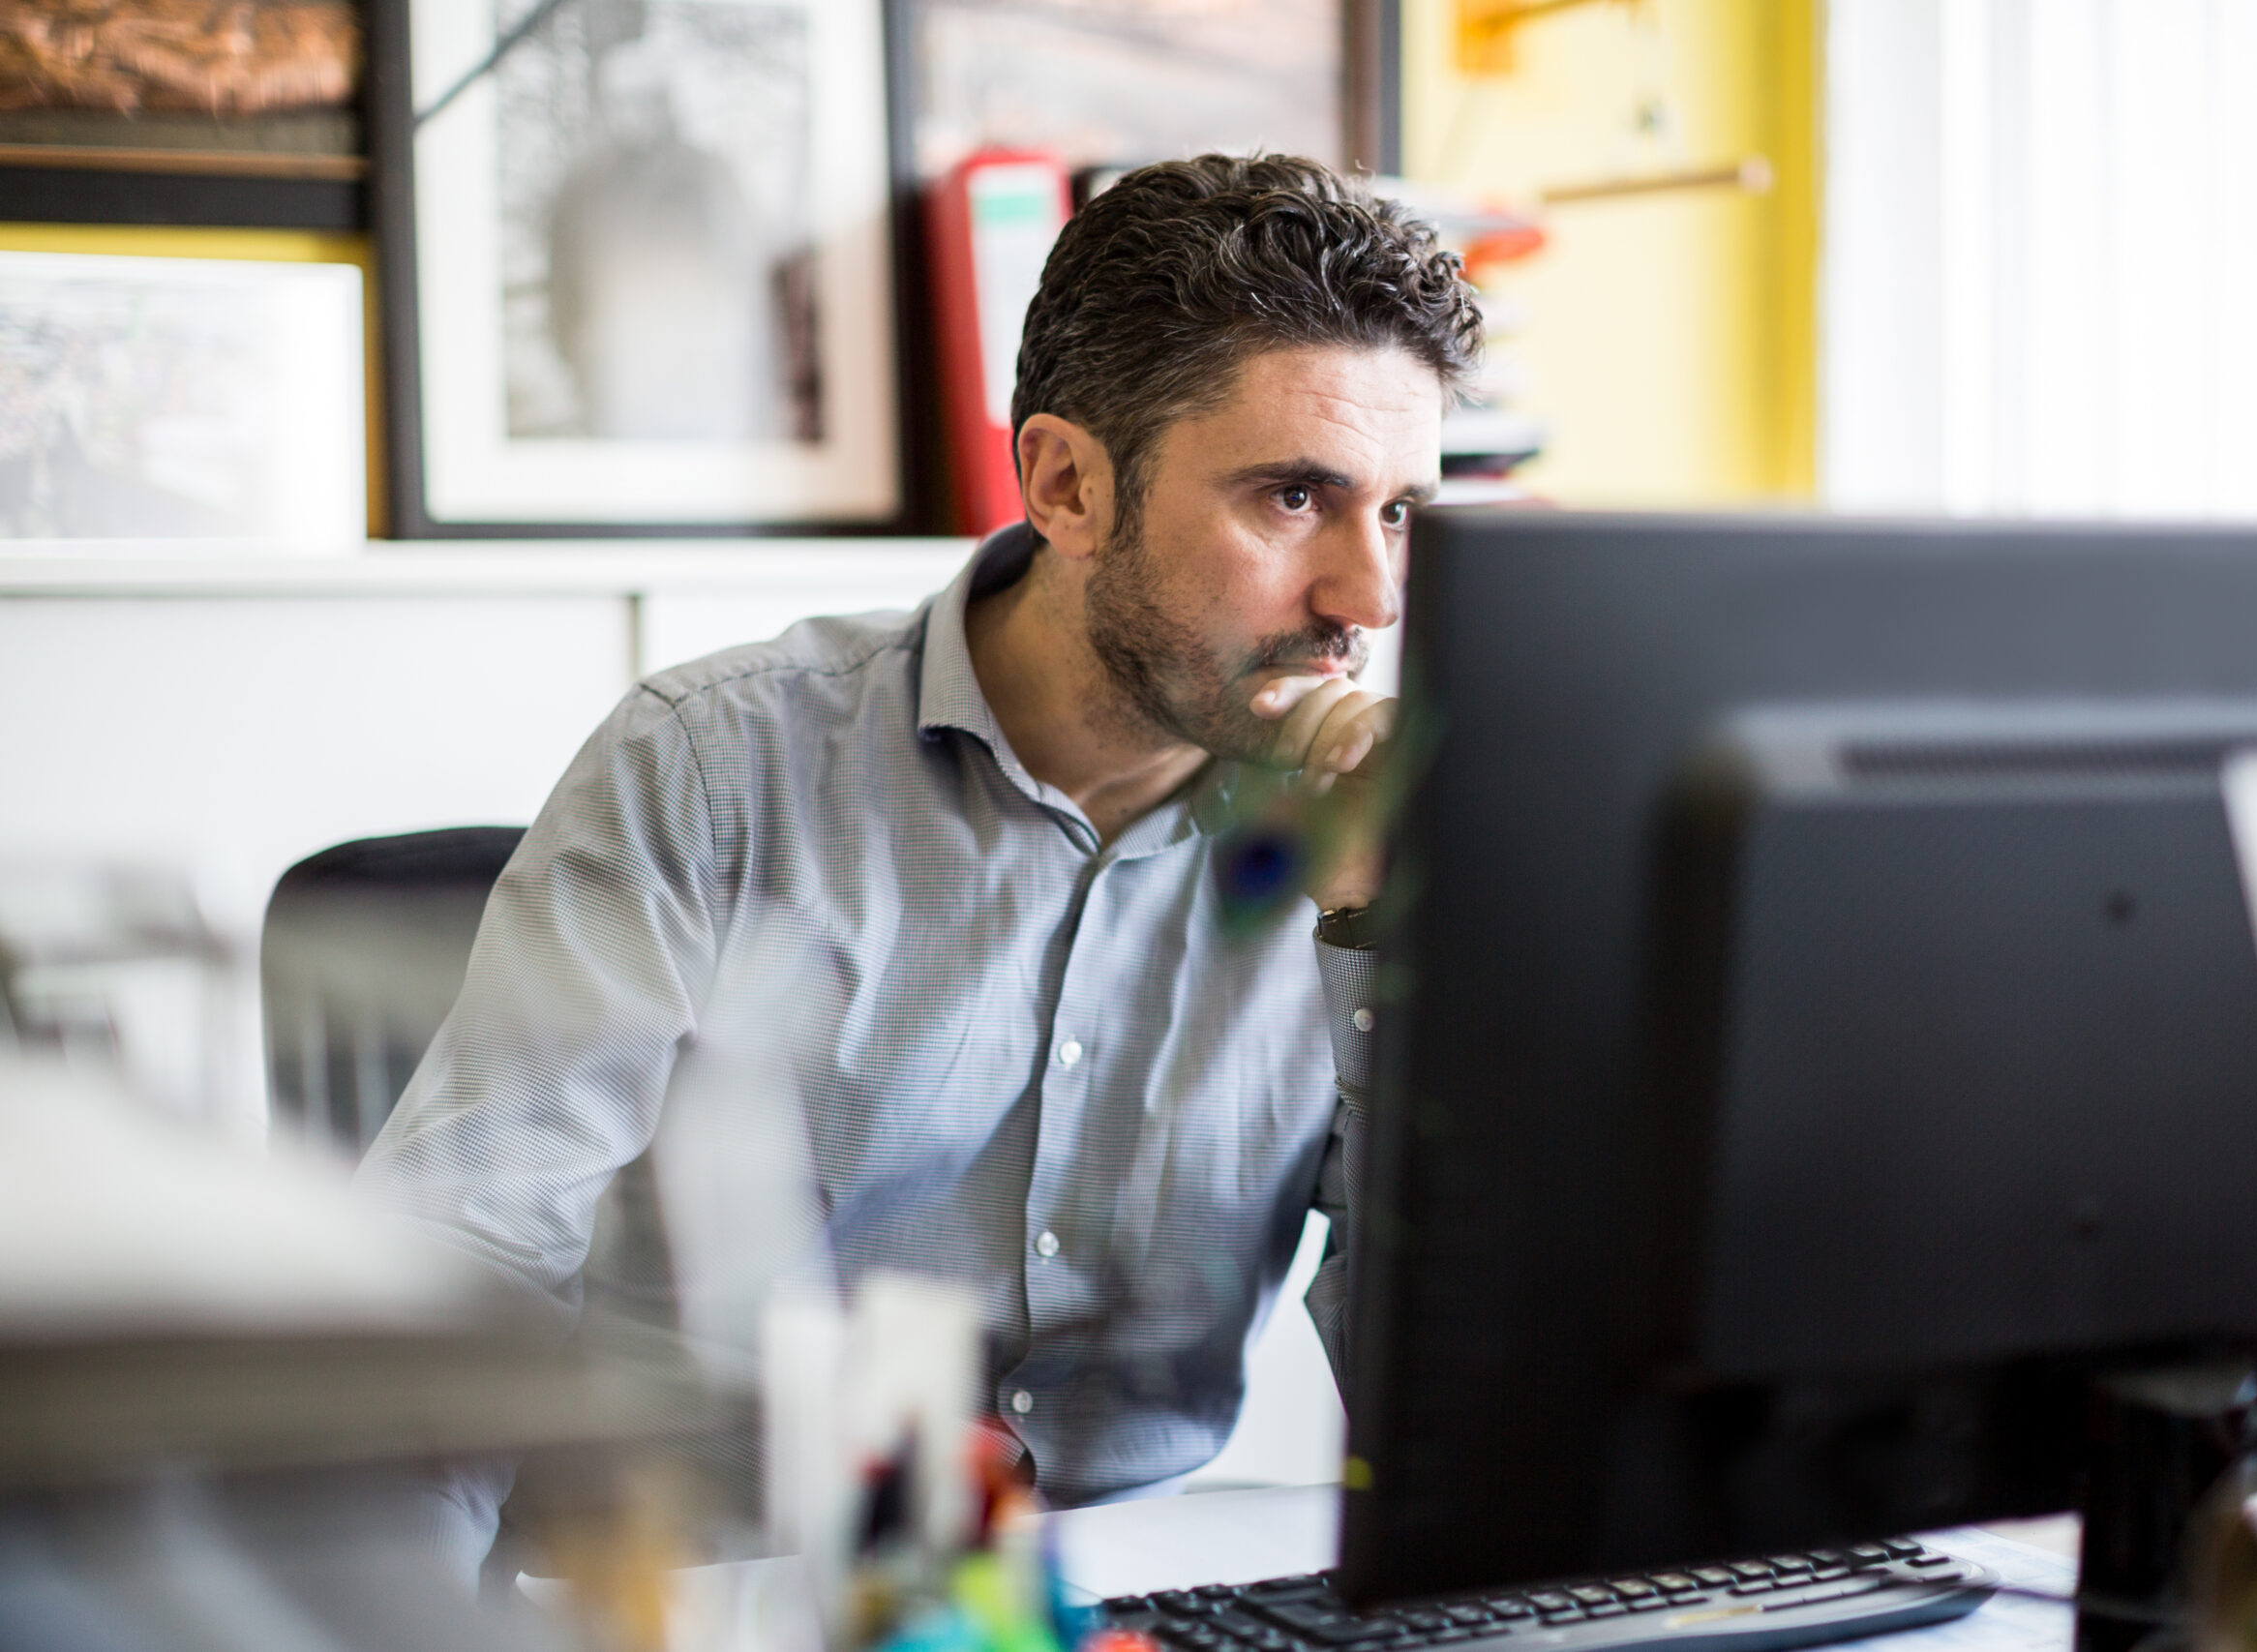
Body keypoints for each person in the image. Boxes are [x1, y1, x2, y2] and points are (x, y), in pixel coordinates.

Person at [358, 152, 1483, 1569]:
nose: (1366, 600)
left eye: (1400, 513)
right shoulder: (716, 768)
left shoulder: (1371, 827)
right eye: (1289, 499)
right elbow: (462, 1273)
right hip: (731, 1580)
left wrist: (1381, 945)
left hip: (1142, 1572)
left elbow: (1456, 1381)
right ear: (1068, 487)